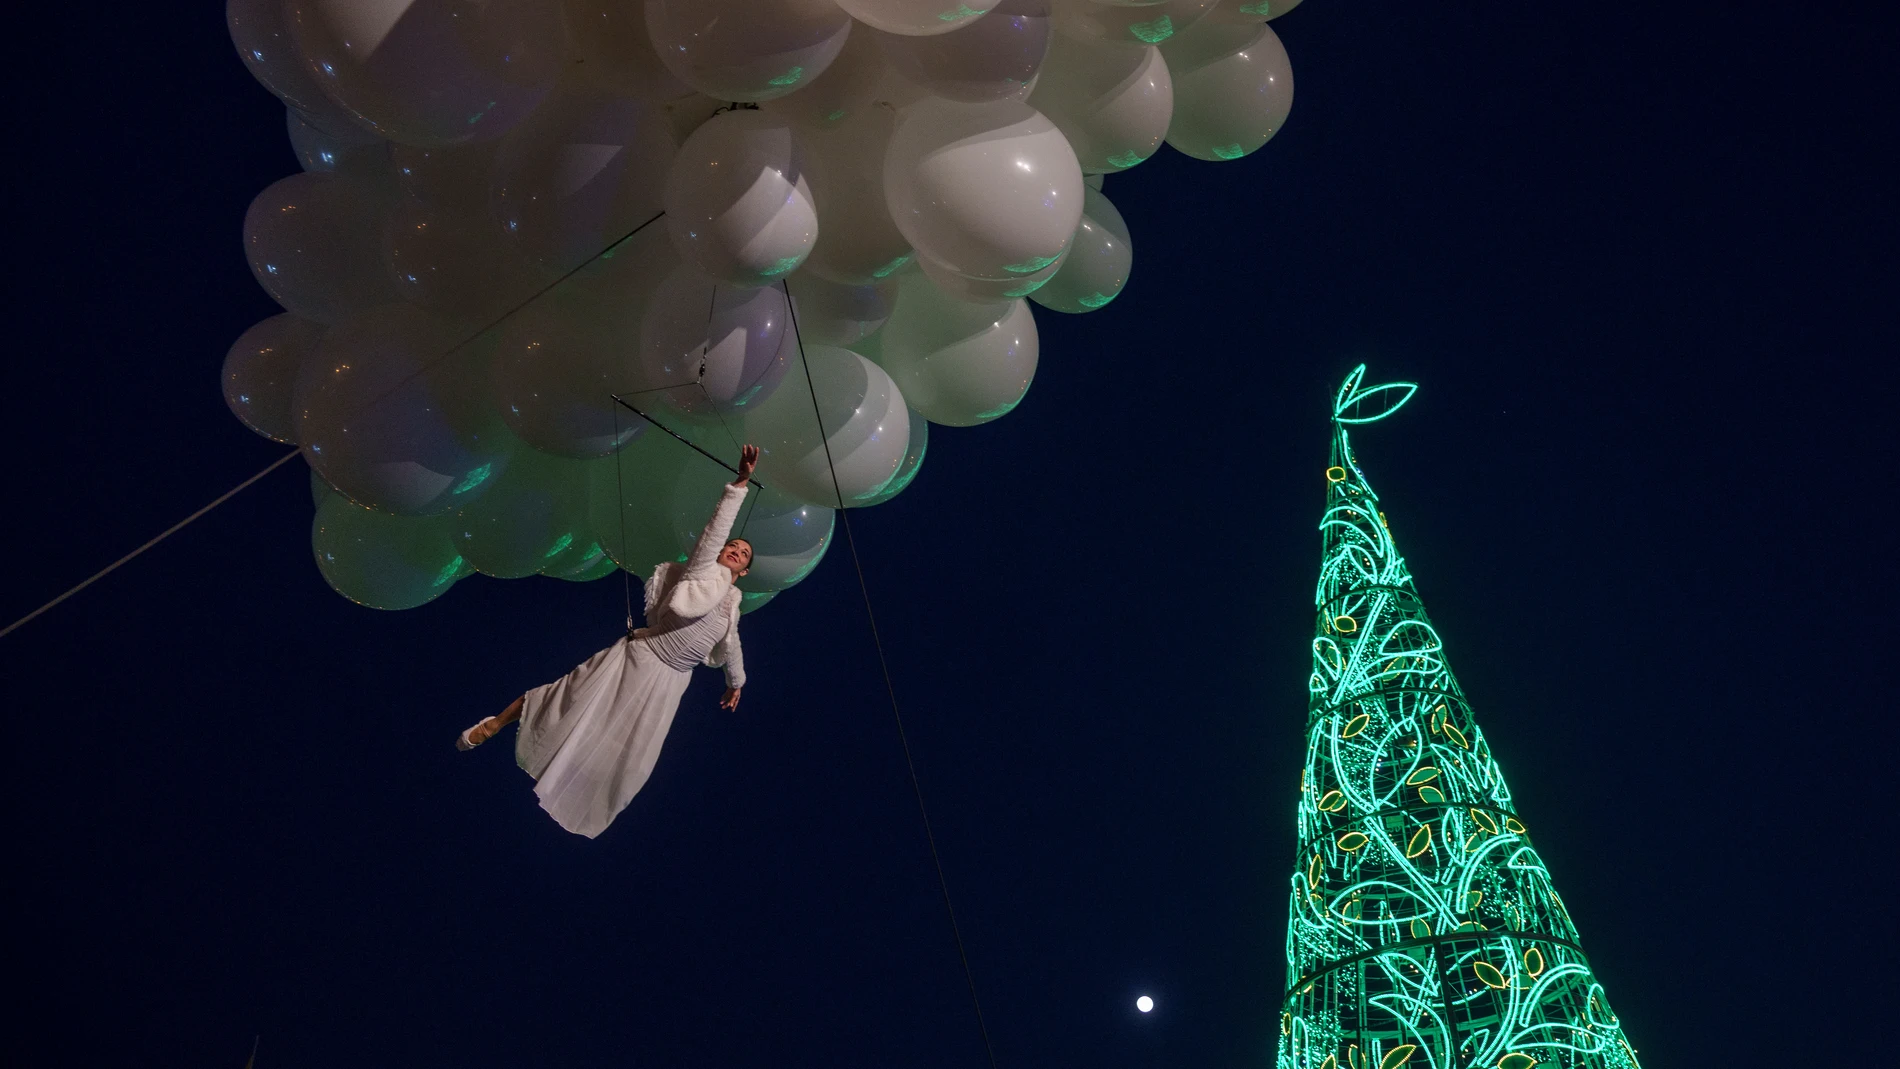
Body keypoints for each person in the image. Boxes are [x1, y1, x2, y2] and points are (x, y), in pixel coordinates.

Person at [455, 445, 761, 838]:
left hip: (670, 682)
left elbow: (731, 647)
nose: (735, 550)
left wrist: (736, 683)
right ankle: (495, 724)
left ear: (745, 572)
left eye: (743, 553)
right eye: (732, 546)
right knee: (566, 698)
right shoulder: (701, 574)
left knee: (628, 755)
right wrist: (739, 485)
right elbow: (714, 530)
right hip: (640, 657)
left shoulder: (731, 605)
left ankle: (572, 791)